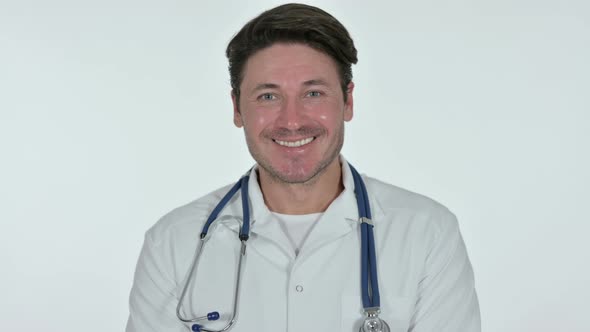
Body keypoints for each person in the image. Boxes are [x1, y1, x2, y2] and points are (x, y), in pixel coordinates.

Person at [126, 3, 481, 332]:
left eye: (313, 93)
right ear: (237, 109)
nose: (292, 121)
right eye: (268, 96)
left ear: (348, 101)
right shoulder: (174, 242)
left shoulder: (426, 234)